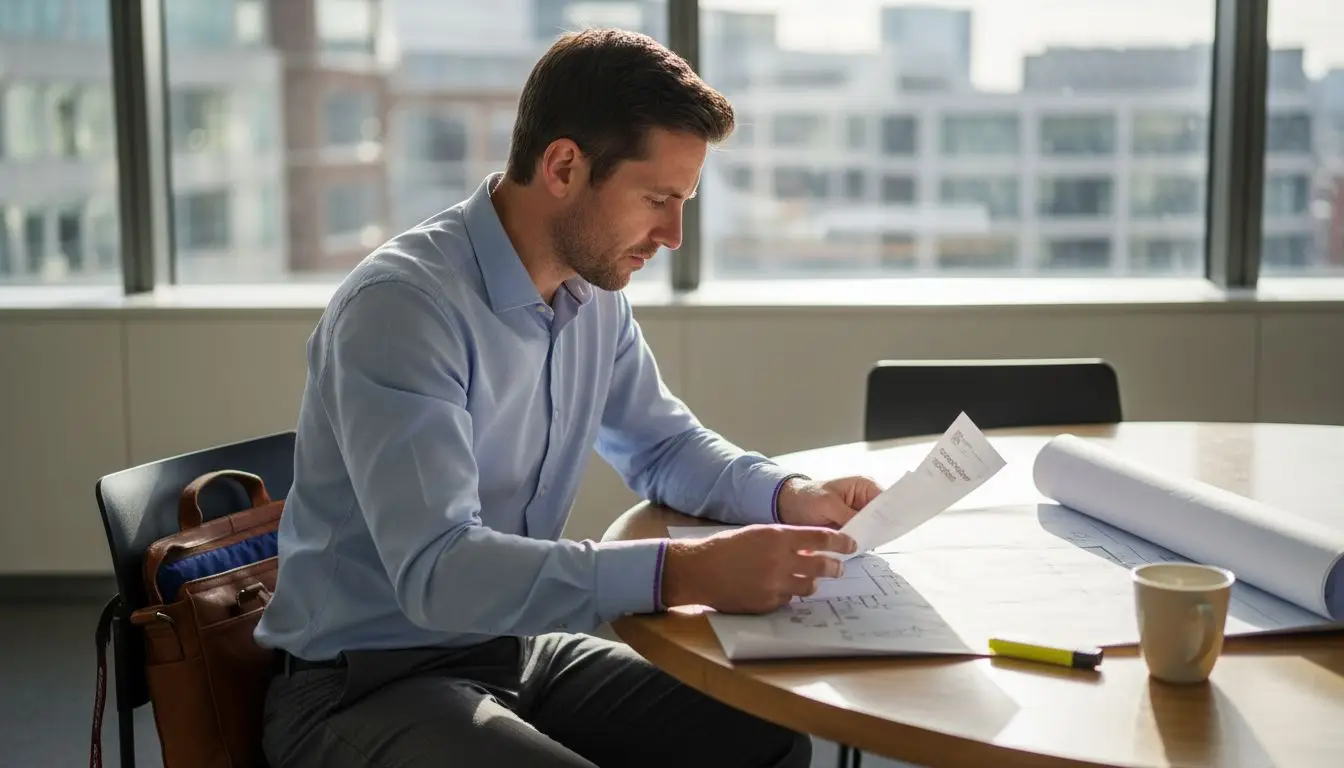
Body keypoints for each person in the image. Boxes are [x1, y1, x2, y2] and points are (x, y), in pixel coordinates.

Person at [255, 27, 883, 768]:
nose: (674, 235)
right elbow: (438, 573)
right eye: (657, 198)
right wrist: (684, 573)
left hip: (509, 651)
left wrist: (788, 495)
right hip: (363, 684)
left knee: (766, 741)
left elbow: (665, 446)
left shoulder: (592, 292)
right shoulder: (404, 308)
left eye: (683, 201)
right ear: (562, 165)